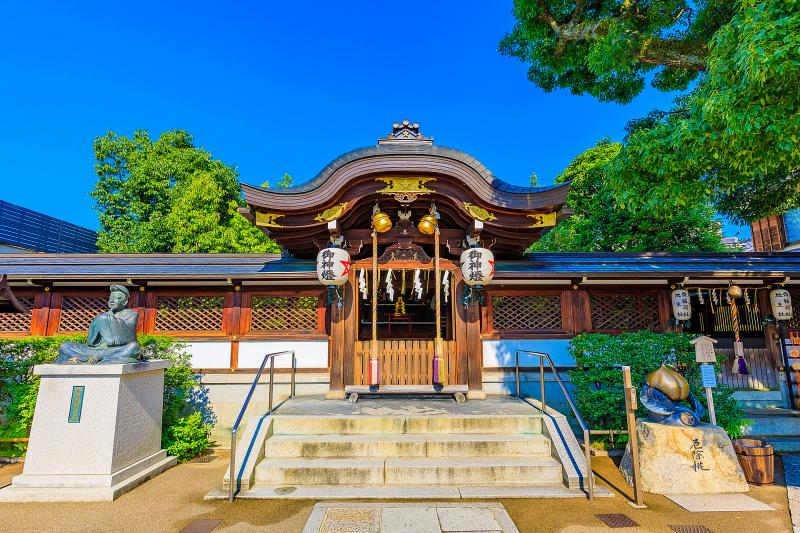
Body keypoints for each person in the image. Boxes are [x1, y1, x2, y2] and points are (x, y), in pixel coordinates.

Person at [55, 284, 142, 364]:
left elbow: (129, 337)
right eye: (111, 298)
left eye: (117, 298)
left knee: (134, 347)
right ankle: (91, 358)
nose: (112, 300)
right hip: (94, 350)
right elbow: (91, 342)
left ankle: (84, 359)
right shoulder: (103, 315)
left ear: (124, 302)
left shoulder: (131, 315)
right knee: (65, 346)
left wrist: (108, 320)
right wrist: (100, 321)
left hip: (115, 350)